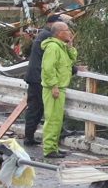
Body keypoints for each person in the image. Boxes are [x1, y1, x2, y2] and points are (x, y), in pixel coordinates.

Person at [39, 16, 78, 157]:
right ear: (59, 33)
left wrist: (70, 45)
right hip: (53, 89)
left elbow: (72, 59)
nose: (69, 33)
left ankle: (53, 146)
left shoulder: (61, 47)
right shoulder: (53, 47)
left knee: (57, 119)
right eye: (67, 30)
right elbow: (48, 68)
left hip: (60, 87)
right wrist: (54, 86)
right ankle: (49, 148)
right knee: (52, 119)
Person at [22, 15, 61, 145]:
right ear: (52, 24)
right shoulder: (48, 37)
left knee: (36, 107)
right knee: (37, 108)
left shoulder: (44, 34)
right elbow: (53, 60)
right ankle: (30, 137)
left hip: (35, 76)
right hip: (38, 77)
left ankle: (29, 137)